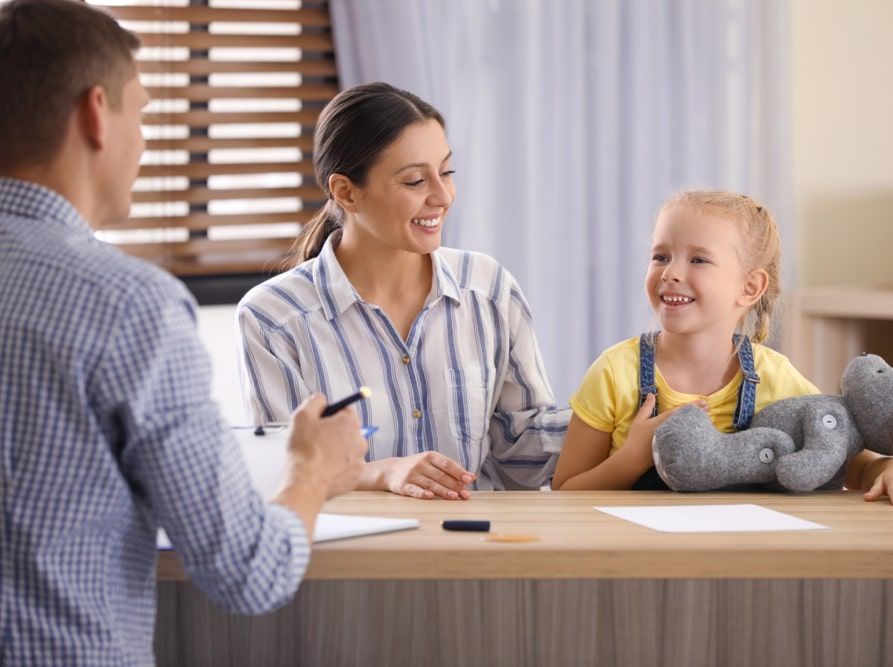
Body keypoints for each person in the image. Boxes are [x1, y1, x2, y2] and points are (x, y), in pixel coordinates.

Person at [0, 2, 368, 664]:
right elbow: (248, 570)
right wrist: (313, 469)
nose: (145, 140)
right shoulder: (127, 304)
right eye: (139, 112)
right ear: (94, 115)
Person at [237, 82, 568, 499]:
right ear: (346, 192)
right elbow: (283, 474)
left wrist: (619, 416)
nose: (443, 196)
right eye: (415, 181)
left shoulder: (489, 289)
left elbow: (521, 453)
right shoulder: (273, 319)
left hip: (479, 548)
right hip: (352, 559)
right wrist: (381, 473)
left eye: (446, 172)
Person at [552, 190, 893, 506]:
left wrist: (892, 468)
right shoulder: (614, 372)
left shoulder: (775, 376)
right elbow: (564, 492)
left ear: (749, 287)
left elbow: (850, 463)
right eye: (661, 256)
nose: (670, 272)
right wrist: (632, 458)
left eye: (698, 259)